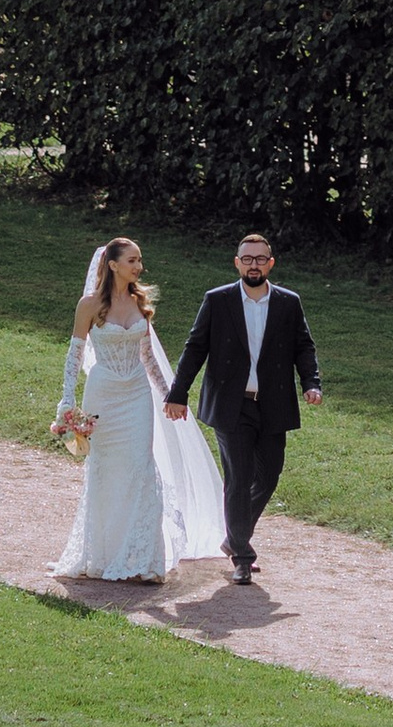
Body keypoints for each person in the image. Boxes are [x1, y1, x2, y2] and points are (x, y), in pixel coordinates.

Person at [48, 237, 225, 585]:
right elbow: (75, 356)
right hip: (104, 396)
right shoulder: (89, 305)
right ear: (113, 264)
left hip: (137, 396)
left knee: (141, 467)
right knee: (105, 471)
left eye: (140, 261)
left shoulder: (140, 303)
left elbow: (148, 359)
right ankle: (102, 553)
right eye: (132, 260)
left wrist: (170, 395)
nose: (138, 267)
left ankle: (144, 558)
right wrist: (68, 402)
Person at [164, 229, 322, 584]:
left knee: (268, 475)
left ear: (271, 263)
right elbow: (195, 347)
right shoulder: (218, 301)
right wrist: (178, 392)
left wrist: (311, 383)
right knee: (238, 479)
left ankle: (233, 537)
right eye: (247, 258)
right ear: (237, 263)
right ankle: (242, 556)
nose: (254, 264)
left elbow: (304, 346)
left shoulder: (287, 302)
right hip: (231, 406)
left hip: (274, 404)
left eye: (260, 258)